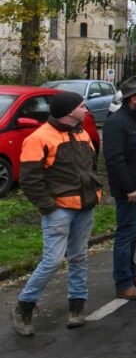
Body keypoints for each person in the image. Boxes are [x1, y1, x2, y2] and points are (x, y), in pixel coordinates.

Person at [10, 92, 102, 336]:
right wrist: (49, 206)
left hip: (84, 206)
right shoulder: (38, 138)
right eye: (82, 106)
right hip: (59, 210)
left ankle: (77, 307)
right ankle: (24, 306)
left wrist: (94, 194)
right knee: (52, 261)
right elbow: (29, 179)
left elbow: (90, 165)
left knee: (79, 256)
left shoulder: (81, 133)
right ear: (70, 111)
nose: (86, 110)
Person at [103, 77, 136, 301]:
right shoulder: (117, 122)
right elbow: (115, 160)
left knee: (134, 233)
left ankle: (130, 274)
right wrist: (129, 188)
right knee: (126, 234)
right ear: (133, 99)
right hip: (129, 191)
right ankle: (123, 283)